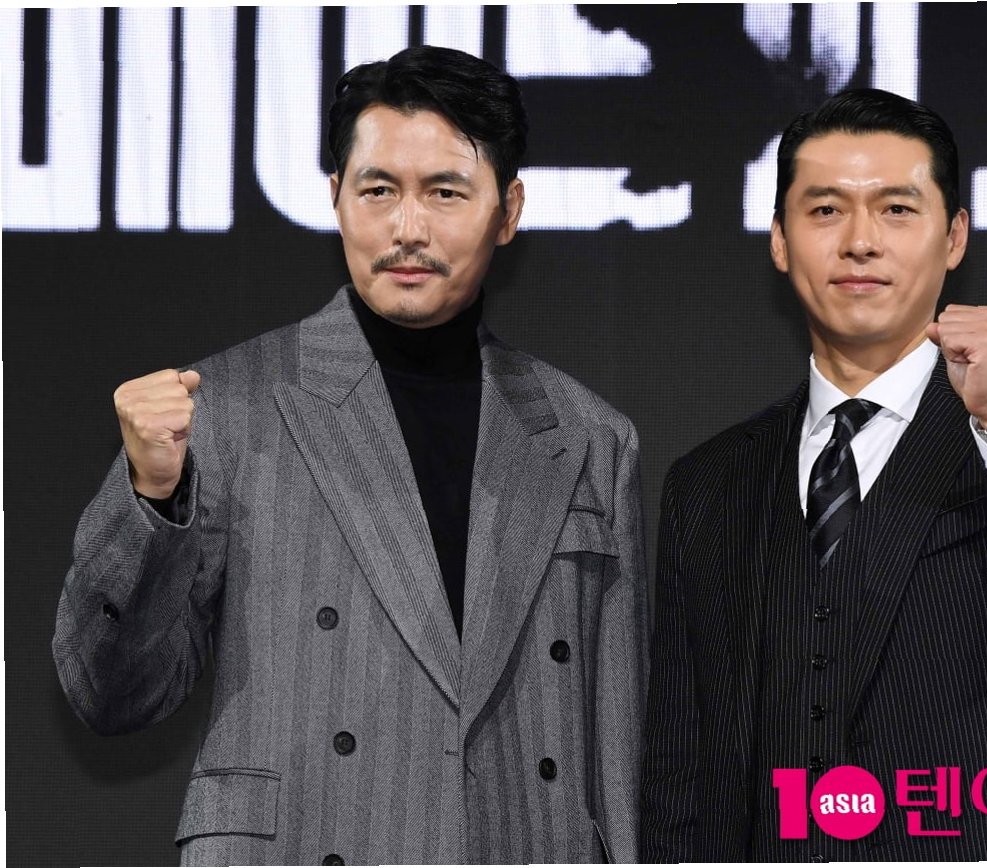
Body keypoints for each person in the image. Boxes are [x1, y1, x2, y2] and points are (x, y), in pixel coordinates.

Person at [53, 46, 646, 866]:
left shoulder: (589, 437)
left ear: (508, 210)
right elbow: (112, 692)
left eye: (445, 192)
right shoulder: (226, 408)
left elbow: (615, 751)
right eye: (378, 190)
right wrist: (152, 498)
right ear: (336, 197)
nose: (408, 229)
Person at [640, 88, 987, 861]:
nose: (860, 243)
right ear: (779, 240)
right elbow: (680, 766)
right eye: (825, 210)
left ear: (955, 237)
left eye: (897, 210)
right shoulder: (708, 484)